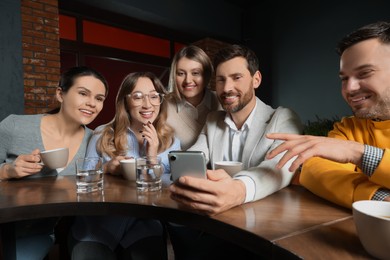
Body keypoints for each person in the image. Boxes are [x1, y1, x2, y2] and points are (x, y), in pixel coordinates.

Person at [168, 44, 303, 259]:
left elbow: (280, 165)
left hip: (263, 231)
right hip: (218, 224)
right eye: (221, 80)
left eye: (236, 77)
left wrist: (238, 189)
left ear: (256, 79)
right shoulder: (213, 121)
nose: (227, 87)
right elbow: (194, 156)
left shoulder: (282, 117)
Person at [266, 21, 390, 208]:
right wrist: (377, 197)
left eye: (364, 73)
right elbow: (314, 170)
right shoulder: (349, 128)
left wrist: (358, 153)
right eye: (344, 78)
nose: (350, 88)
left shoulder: (351, 142)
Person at [0, 66, 109, 259]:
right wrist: (8, 171)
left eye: (99, 98)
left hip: (37, 234)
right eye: (83, 93)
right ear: (60, 94)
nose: (92, 103)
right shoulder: (15, 125)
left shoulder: (95, 142)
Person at [70, 71, 180, 260]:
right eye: (138, 97)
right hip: (99, 225)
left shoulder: (171, 141)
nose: (147, 104)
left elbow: (171, 188)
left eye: (154, 96)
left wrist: (152, 155)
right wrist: (106, 169)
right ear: (125, 101)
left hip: (143, 225)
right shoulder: (102, 134)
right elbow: (81, 182)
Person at [166, 45, 221, 150]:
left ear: (206, 75)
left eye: (195, 73)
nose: (188, 80)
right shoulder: (163, 106)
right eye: (181, 73)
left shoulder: (221, 102)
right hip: (178, 166)